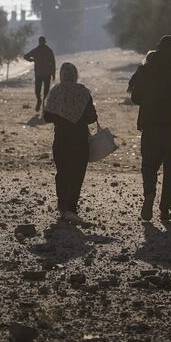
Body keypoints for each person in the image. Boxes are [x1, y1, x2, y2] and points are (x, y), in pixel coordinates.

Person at [128, 35, 171, 221]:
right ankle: (164, 209)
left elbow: (135, 97)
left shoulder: (145, 70)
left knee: (149, 165)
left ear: (158, 47)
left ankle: (149, 193)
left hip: (150, 127)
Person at [43, 63, 97, 224]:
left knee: (62, 173)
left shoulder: (55, 91)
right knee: (77, 174)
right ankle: (71, 209)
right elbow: (92, 117)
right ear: (76, 74)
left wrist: (62, 116)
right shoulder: (83, 92)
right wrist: (77, 117)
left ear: (61, 75)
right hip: (79, 139)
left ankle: (62, 207)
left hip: (61, 139)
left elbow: (47, 116)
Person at [23, 36, 56, 112]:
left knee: (46, 92)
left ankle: (44, 105)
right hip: (39, 74)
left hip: (46, 74)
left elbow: (53, 63)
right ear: (39, 42)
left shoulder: (48, 51)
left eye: (42, 42)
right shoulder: (36, 50)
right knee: (37, 90)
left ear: (44, 42)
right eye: (40, 42)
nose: (41, 43)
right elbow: (26, 56)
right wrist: (31, 60)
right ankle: (39, 100)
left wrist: (53, 74)